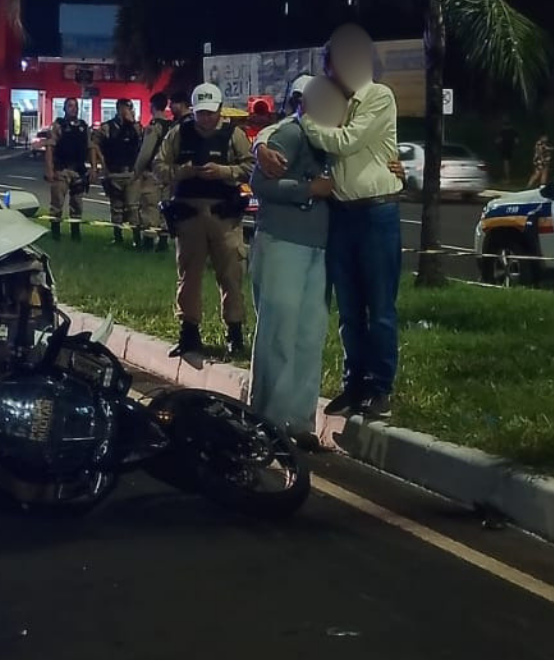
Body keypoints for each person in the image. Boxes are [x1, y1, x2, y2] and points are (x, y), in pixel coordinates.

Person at [256, 24, 402, 419]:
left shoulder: (378, 96)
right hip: (343, 217)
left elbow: (345, 141)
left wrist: (304, 121)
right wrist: (260, 143)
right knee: (349, 310)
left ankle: (380, 387)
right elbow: (281, 128)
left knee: (381, 307)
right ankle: (354, 384)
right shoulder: (336, 103)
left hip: (376, 212)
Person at [248, 75, 338, 451]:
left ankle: (300, 422)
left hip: (319, 248)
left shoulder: (333, 141)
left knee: (309, 335)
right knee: (279, 333)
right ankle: (267, 420)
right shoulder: (289, 134)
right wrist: (307, 191)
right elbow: (261, 184)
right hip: (283, 243)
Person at [155, 84, 255, 358]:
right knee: (188, 276)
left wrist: (224, 171)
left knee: (231, 275)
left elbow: (250, 167)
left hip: (224, 215)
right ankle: (189, 334)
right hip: (189, 215)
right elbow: (159, 168)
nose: (206, 119)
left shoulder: (233, 135)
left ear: (220, 110)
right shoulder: (179, 134)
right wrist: (184, 171)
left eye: (211, 113)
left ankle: (234, 333)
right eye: (201, 114)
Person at [92, 98, 142, 245]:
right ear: (119, 109)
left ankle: (136, 239)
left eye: (131, 108)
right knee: (116, 208)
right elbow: (94, 145)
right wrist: (101, 163)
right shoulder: (107, 127)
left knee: (133, 208)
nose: (129, 111)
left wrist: (132, 123)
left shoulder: (135, 127)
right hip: (114, 172)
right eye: (127, 108)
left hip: (131, 173)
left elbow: (142, 142)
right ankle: (118, 237)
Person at [46, 98, 95, 241]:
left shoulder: (83, 127)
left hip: (78, 170)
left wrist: (93, 168)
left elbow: (90, 146)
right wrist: (49, 169)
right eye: (70, 106)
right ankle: (55, 234)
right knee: (57, 204)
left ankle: (76, 234)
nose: (74, 109)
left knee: (77, 205)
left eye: (76, 106)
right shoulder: (58, 125)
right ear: (65, 108)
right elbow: (50, 147)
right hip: (62, 169)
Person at [131, 92, 174, 252]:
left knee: (150, 206)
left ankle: (148, 243)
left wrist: (137, 171)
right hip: (169, 173)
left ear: (153, 106)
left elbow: (146, 152)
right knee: (166, 208)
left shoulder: (154, 126)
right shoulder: (172, 126)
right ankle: (163, 242)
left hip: (153, 173)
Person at [495, 118, 519, 183]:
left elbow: (498, 140)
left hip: (504, 149)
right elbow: (517, 141)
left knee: (506, 164)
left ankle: (507, 178)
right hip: (512, 149)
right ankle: (512, 177)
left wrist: (497, 144)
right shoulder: (514, 131)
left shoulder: (502, 132)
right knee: (510, 163)